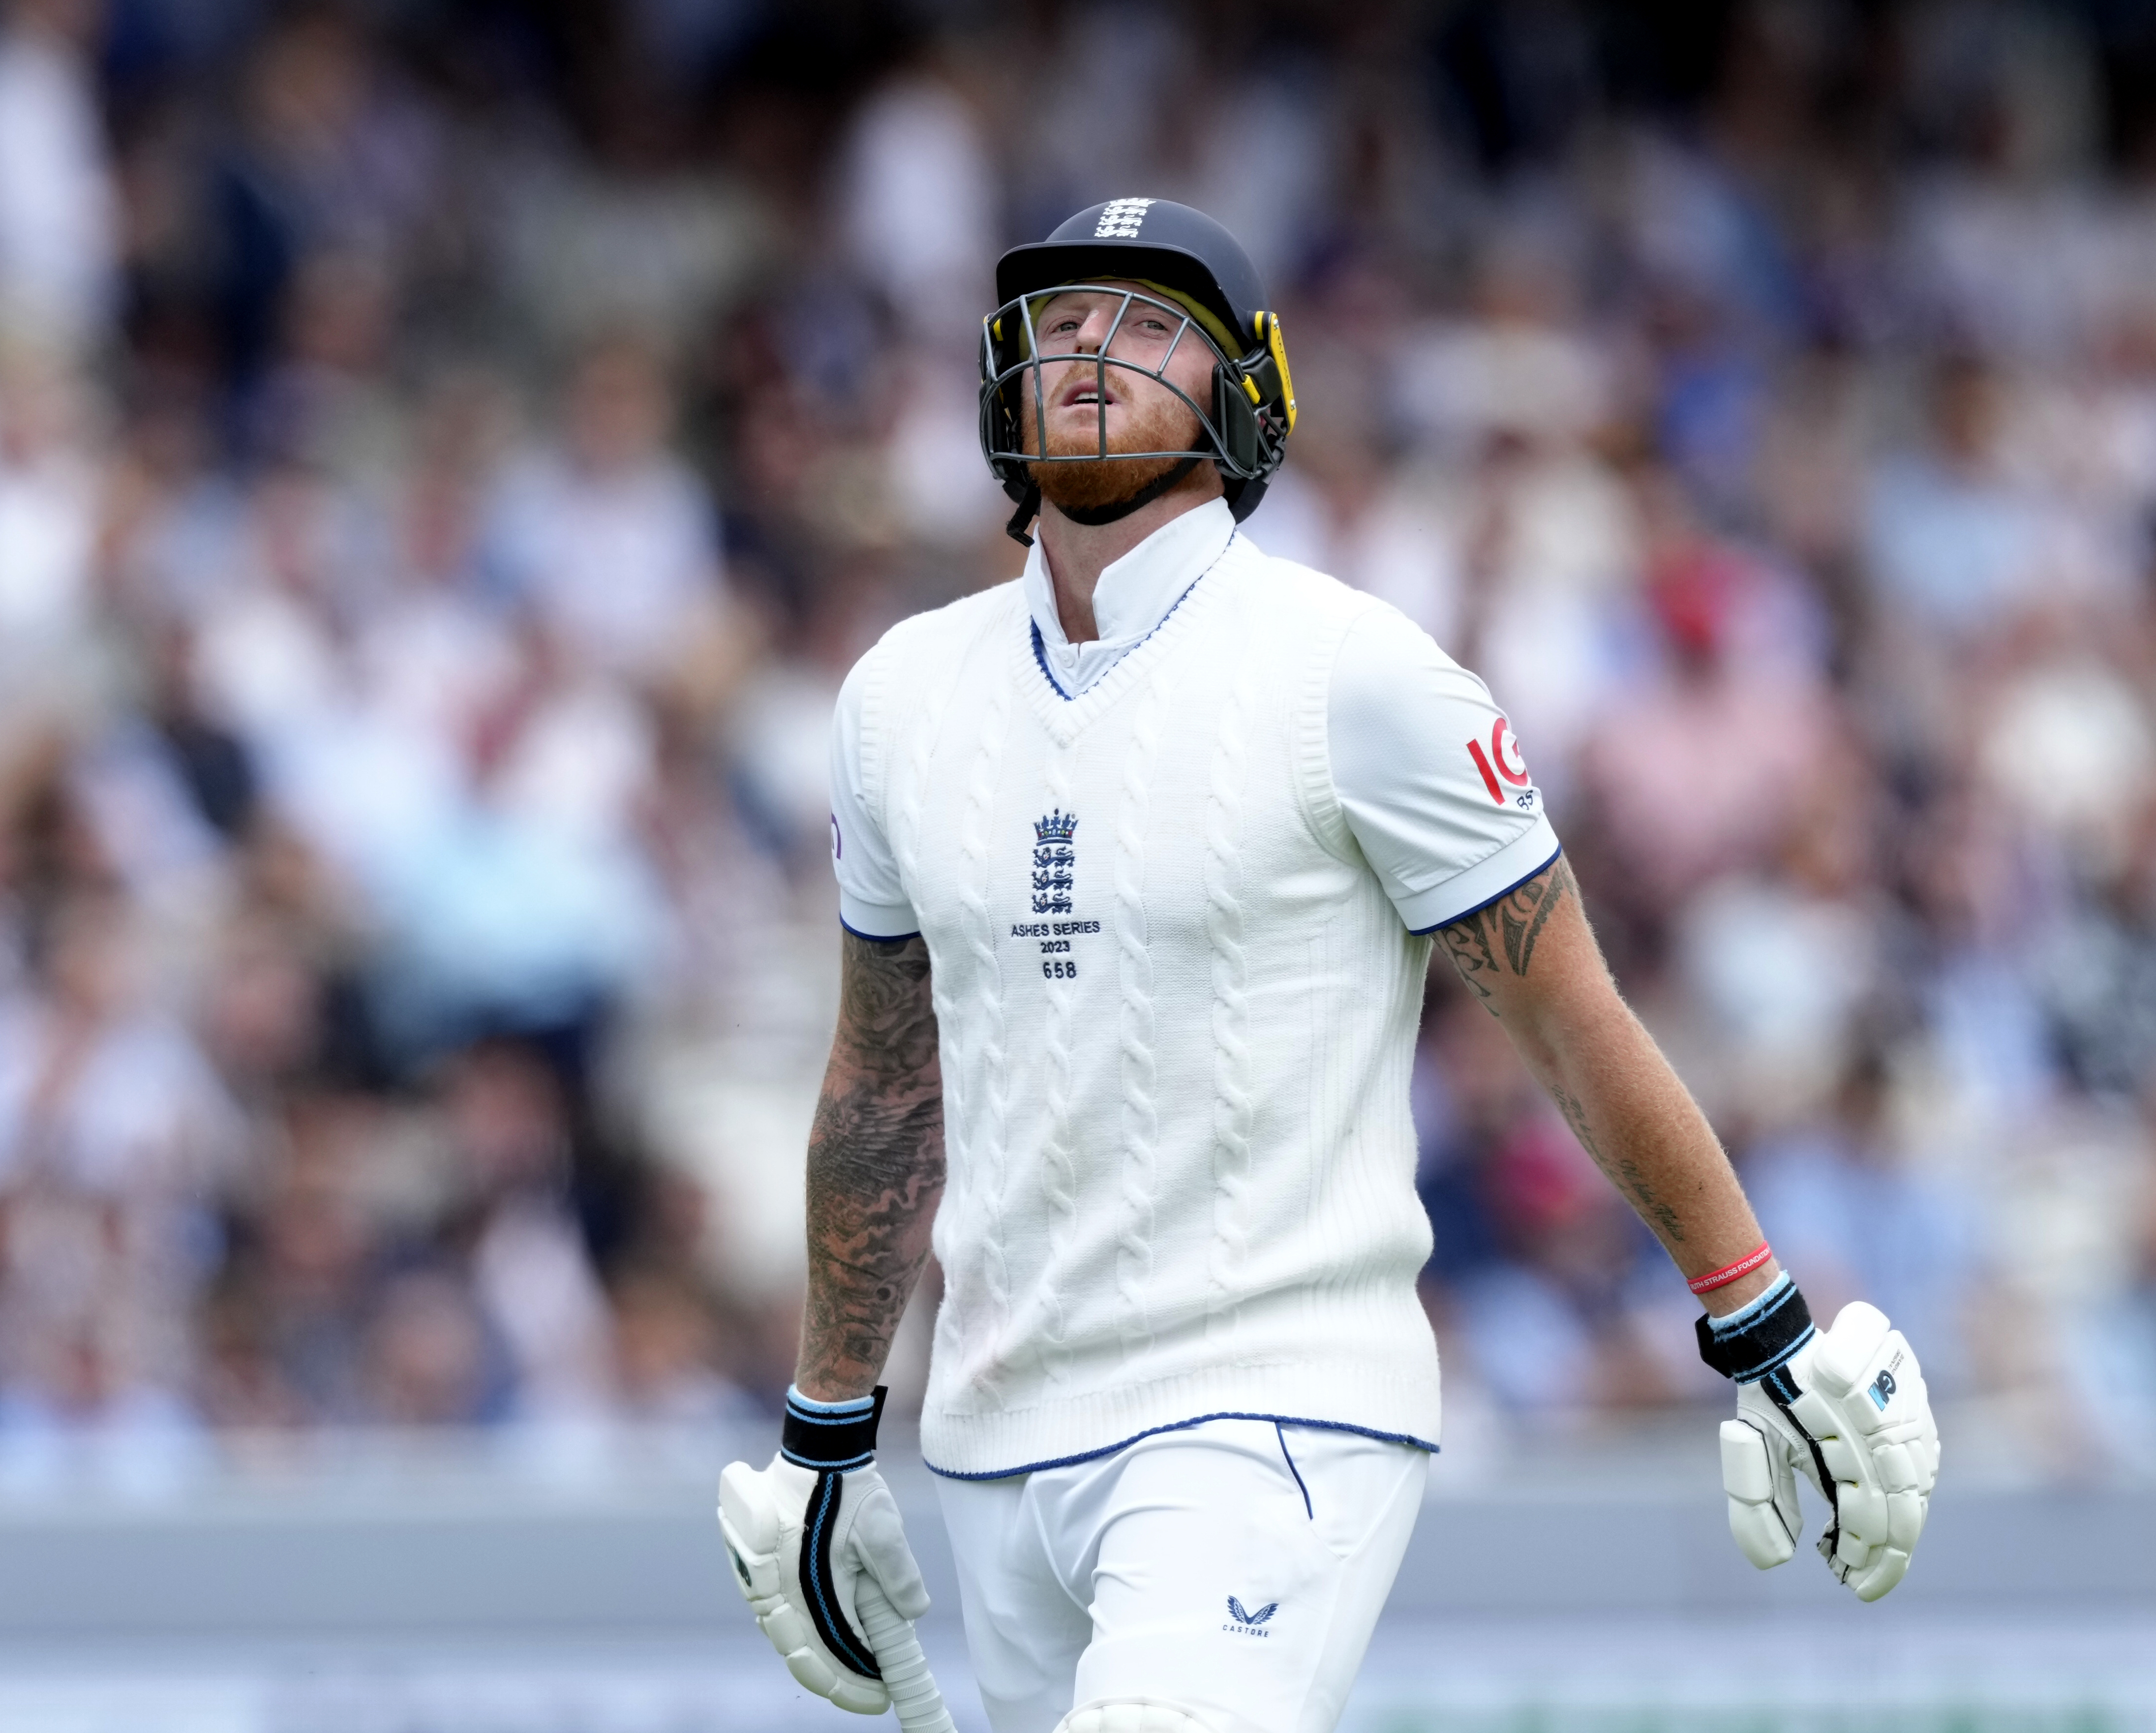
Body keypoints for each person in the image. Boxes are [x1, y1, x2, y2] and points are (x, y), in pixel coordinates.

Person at [715, 200, 1942, 1733]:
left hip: (1274, 1400)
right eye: (1060, 322)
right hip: (993, 1427)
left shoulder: (1357, 673)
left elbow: (1564, 1019)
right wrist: (827, 1429)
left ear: (1245, 390)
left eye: (1151, 323)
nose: (1091, 349)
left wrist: (1757, 1321)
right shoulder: (897, 695)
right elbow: (885, 1085)